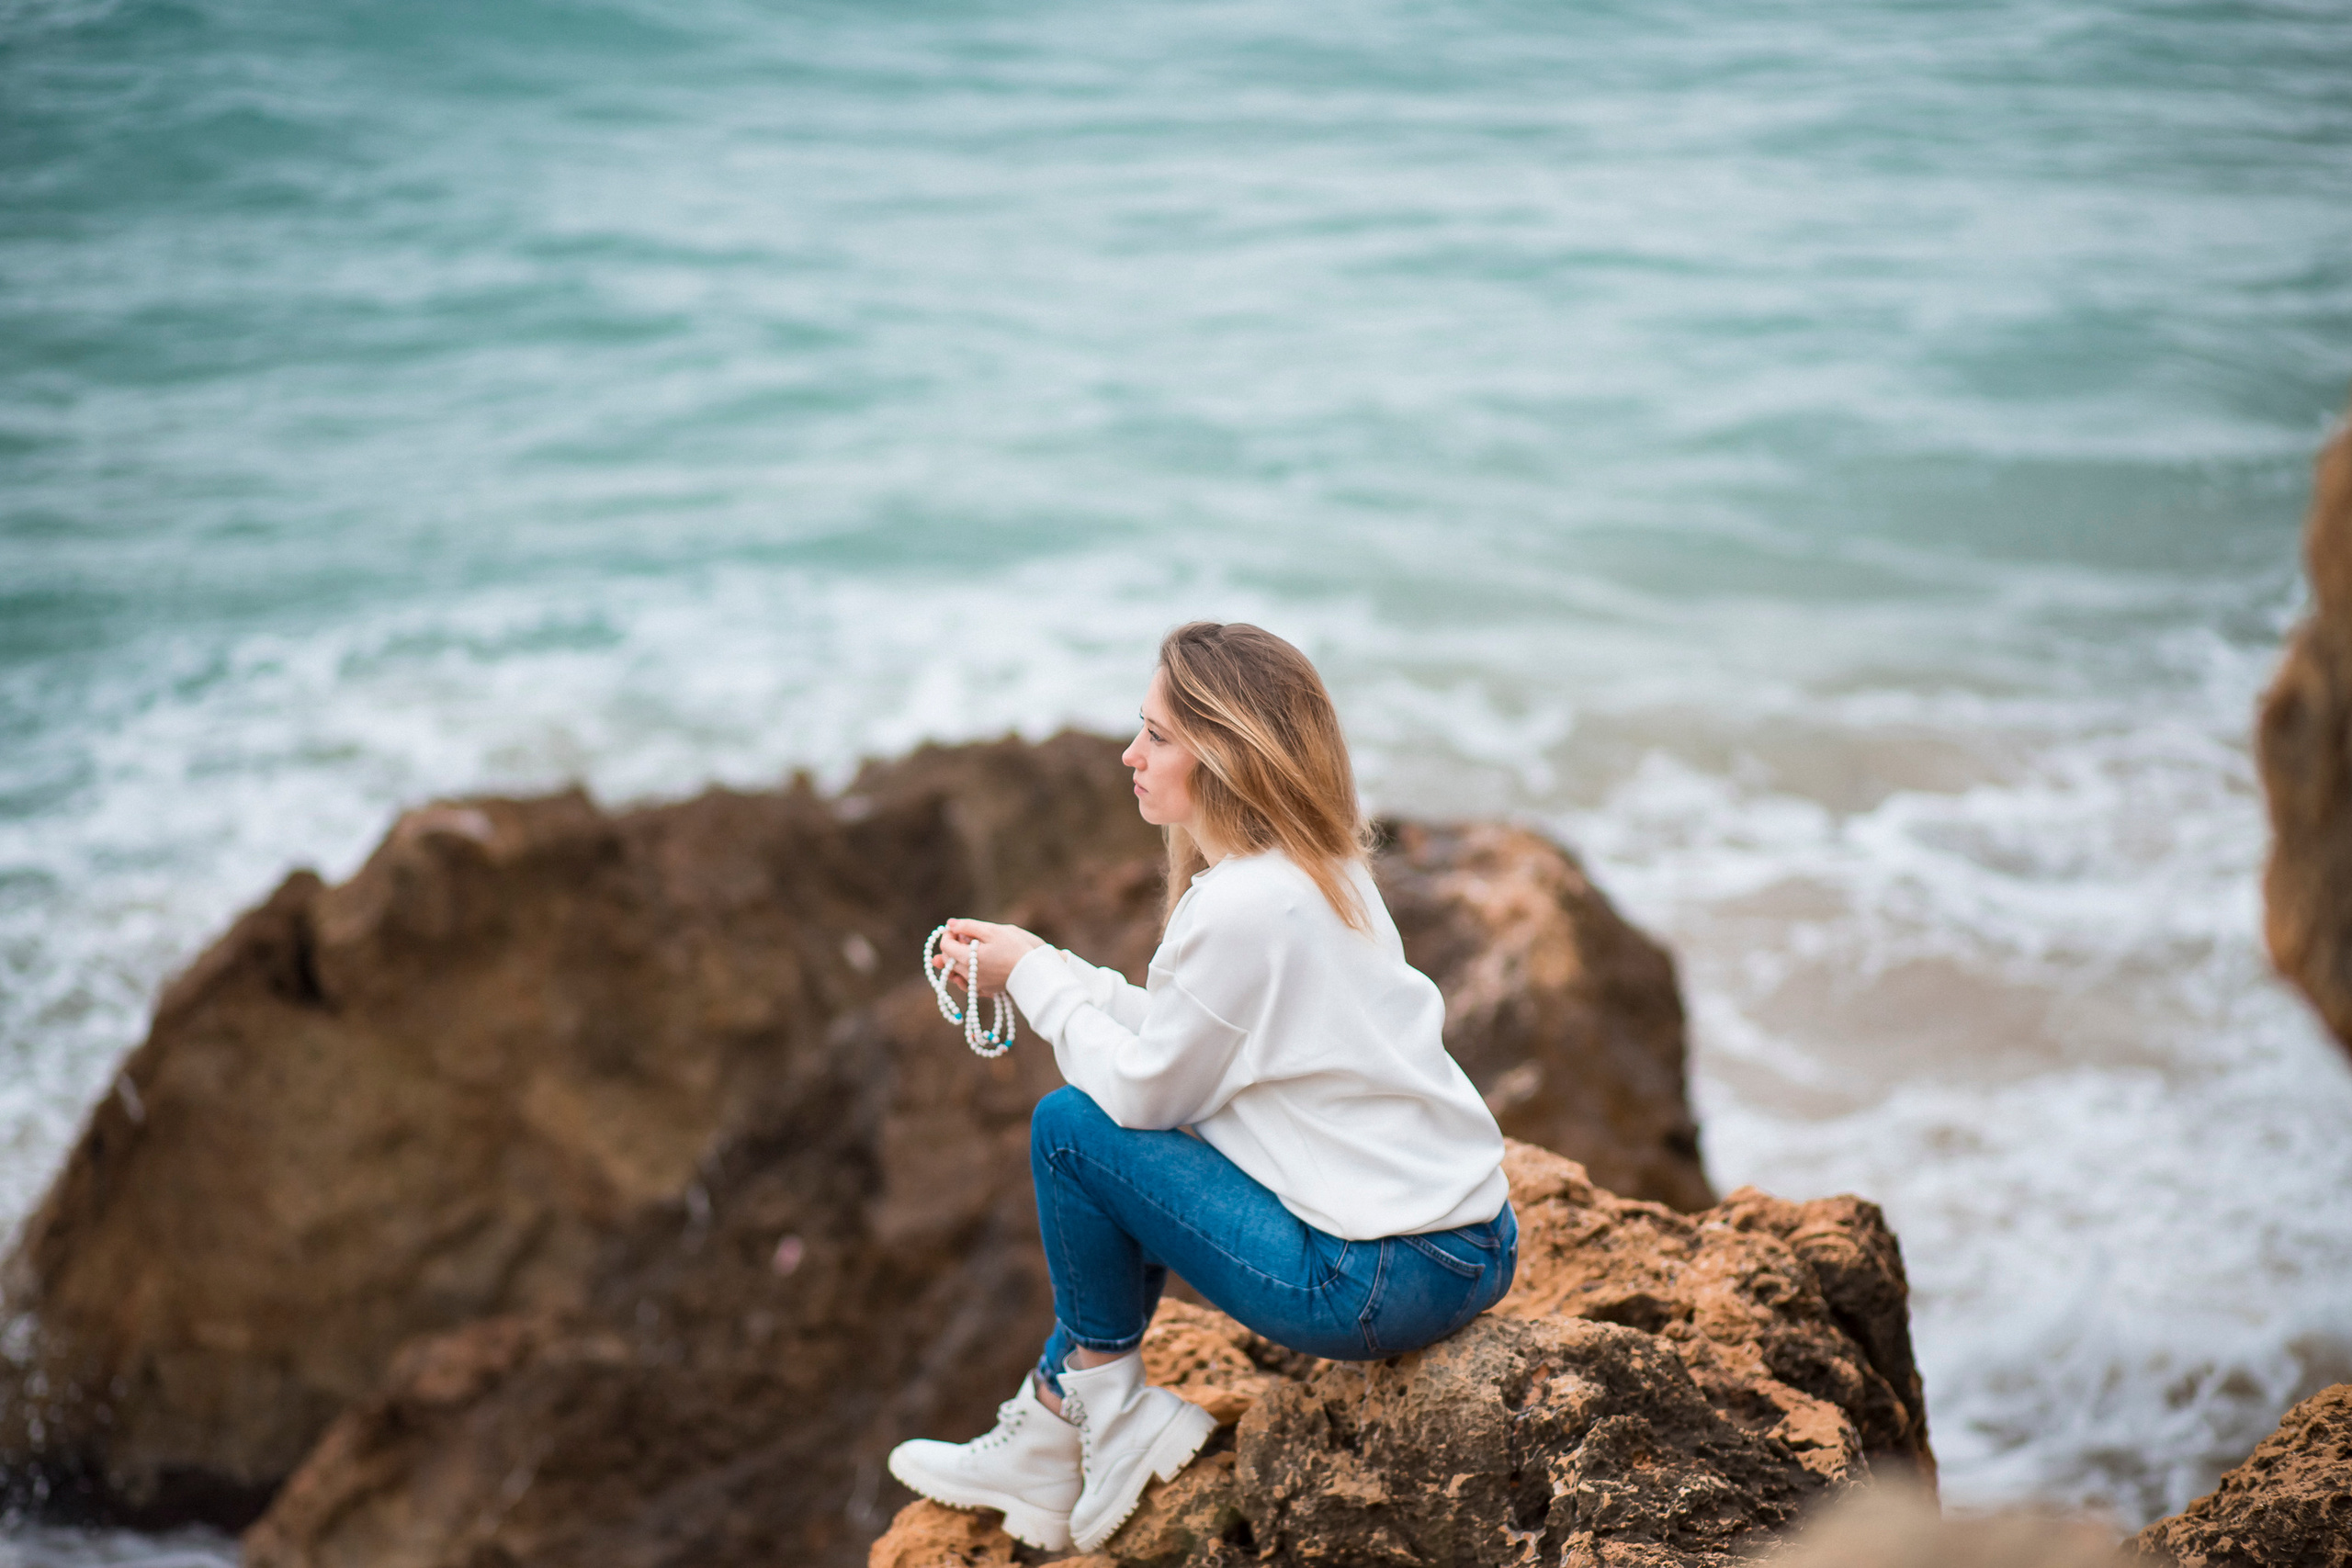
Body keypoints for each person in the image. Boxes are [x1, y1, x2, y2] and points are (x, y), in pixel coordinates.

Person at [888, 621, 1517, 1553]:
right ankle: (1058, 1422)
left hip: (1377, 1282)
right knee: (1101, 1127)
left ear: (1224, 753)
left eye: (1157, 735)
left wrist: (1028, 980)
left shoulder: (1241, 907)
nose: (1129, 754)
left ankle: (1108, 1413)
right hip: (1474, 1245)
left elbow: (1144, 1100)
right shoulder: (1319, 864)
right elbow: (1191, 1045)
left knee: (1070, 1129)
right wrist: (1054, 967)